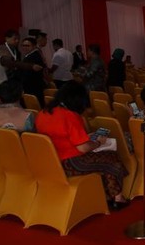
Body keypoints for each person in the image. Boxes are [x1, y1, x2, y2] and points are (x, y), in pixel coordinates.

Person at [34, 81, 129, 210]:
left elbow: (62, 136)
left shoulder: (43, 113)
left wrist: (87, 138)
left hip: (52, 161)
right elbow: (83, 148)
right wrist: (98, 143)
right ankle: (117, 198)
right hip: (72, 162)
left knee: (107, 159)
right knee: (112, 158)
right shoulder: (70, 116)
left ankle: (111, 196)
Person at [20, 36, 47, 108]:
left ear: (34, 46)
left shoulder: (33, 56)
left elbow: (26, 75)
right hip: (34, 87)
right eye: (23, 45)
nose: (24, 47)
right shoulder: (31, 55)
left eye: (27, 46)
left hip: (32, 87)